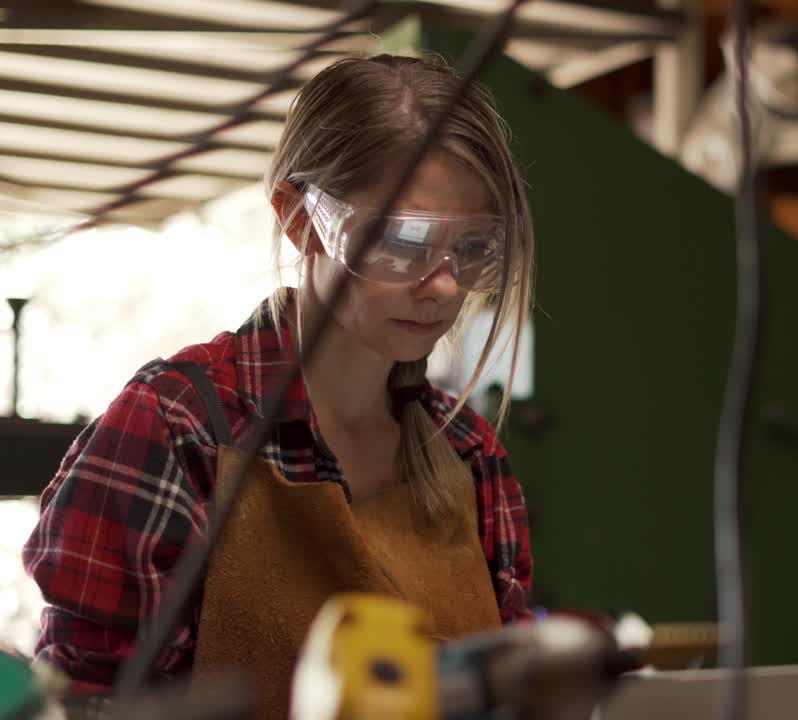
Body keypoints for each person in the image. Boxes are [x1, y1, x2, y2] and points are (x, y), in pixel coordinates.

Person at [22, 53, 535, 714]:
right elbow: (85, 707)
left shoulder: (469, 456)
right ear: (299, 218)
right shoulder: (177, 431)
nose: (443, 287)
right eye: (404, 241)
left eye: (472, 249)